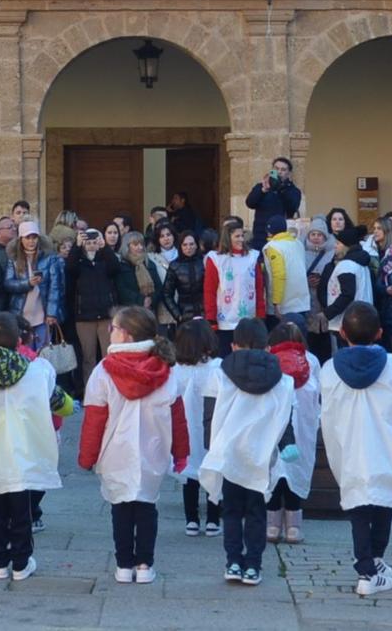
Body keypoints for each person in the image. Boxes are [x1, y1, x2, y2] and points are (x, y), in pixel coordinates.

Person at [76, 305, 186, 585]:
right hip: (154, 448)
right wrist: (181, 453)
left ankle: (124, 564)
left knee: (121, 507)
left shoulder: (103, 371)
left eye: (112, 328)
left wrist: (87, 456)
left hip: (115, 450)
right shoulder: (167, 368)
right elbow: (177, 417)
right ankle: (145, 564)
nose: (109, 331)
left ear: (124, 335)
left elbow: (94, 418)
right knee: (147, 505)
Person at [0, 313, 74, 581]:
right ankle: (22, 563)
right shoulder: (39, 373)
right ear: (19, 341)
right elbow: (66, 406)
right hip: (26, 453)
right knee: (22, 512)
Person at [317, 302, 392, 597]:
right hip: (385, 443)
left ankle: (366, 566)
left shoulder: (330, 367)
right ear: (380, 333)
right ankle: (373, 566)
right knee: (385, 500)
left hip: (349, 444)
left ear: (342, 333)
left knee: (357, 505)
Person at [199, 316, 295, 585]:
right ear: (268, 348)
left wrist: (211, 447)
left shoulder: (218, 374)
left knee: (230, 511)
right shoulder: (283, 379)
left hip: (228, 453)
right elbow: (287, 415)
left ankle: (232, 562)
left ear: (233, 346)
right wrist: (288, 444)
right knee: (256, 511)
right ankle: (253, 565)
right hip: (261, 454)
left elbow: (209, 416)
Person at [266, 320, 318, 543]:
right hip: (303, 424)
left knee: (274, 469)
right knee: (297, 467)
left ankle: (272, 524)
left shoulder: (268, 360)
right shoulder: (312, 360)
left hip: (275, 423)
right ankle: (294, 527)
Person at [169, 318, 222, 537]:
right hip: (212, 428)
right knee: (214, 472)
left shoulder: (175, 371)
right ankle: (213, 519)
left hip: (186, 429)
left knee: (189, 473)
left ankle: (191, 519)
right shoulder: (217, 368)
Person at [66, 227, 125, 388]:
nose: (91, 245)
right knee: (88, 357)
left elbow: (116, 267)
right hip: (85, 317)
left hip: (106, 315)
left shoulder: (105, 260)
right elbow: (69, 268)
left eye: (94, 242)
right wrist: (77, 246)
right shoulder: (79, 262)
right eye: (88, 243)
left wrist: (104, 246)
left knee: (109, 354)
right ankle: (91, 391)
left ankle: (112, 389)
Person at [204, 221, 267, 356]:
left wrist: (260, 313)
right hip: (225, 319)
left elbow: (258, 287)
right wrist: (211, 318)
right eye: (237, 236)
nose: (241, 239)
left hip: (248, 318)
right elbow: (210, 290)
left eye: (242, 236)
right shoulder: (216, 259)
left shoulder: (252, 257)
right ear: (228, 237)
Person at [4, 222, 59, 349]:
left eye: (34, 237)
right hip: (20, 314)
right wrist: (27, 283)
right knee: (24, 352)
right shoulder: (13, 259)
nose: (31, 241)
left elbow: (55, 287)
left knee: (43, 353)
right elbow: (8, 284)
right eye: (27, 238)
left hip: (42, 314)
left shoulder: (49, 258)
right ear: (21, 239)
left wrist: (51, 313)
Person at [322, 228, 374, 356]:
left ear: (346, 246)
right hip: (364, 319)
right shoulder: (362, 264)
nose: (335, 246)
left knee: (347, 358)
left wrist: (327, 314)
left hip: (346, 322)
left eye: (338, 243)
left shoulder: (346, 265)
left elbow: (347, 295)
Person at [244, 158, 302, 241]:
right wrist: (263, 190)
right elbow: (249, 203)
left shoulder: (293, 190)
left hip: (281, 235)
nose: (279, 172)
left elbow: (292, 208)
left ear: (288, 173)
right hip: (261, 234)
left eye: (283, 169)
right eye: (276, 169)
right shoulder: (261, 186)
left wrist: (280, 188)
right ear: (272, 170)